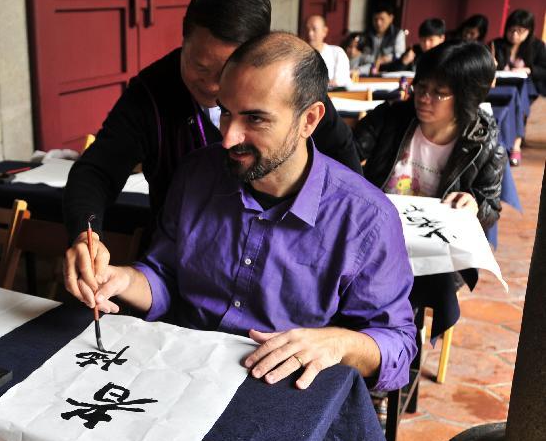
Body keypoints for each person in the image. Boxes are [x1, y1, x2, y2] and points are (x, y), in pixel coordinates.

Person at [70, 32, 417, 393]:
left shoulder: (366, 217)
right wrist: (123, 280)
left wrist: (339, 342)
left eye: (255, 119)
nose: (229, 138)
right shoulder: (196, 174)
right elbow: (166, 275)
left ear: (309, 120)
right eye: (226, 113)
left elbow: (399, 347)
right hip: (181, 374)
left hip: (281, 392)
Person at [63, 0, 361, 295]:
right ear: (183, 42)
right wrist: (87, 235)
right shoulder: (152, 92)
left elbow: (346, 169)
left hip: (282, 271)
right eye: (198, 66)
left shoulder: (289, 96)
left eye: (225, 73)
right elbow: (97, 169)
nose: (211, 85)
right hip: (182, 269)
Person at [354, 41, 504, 379]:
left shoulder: (483, 140)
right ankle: (378, 366)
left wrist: (474, 205)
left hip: (431, 252)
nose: (423, 97)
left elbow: (491, 204)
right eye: (420, 86)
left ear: (465, 97)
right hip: (378, 232)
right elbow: (348, 153)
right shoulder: (393, 117)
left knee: (392, 293)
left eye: (439, 92)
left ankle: (386, 371)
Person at [489, 9, 546, 165]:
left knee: (520, 93)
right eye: (511, 30)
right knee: (515, 100)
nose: (514, 34)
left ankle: (515, 144)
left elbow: (544, 70)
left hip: (527, 86)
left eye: (520, 31)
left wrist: (529, 69)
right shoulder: (496, 45)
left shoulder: (537, 46)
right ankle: (511, 144)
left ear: (529, 31)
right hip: (501, 86)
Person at [381, 18, 446, 73]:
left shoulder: (446, 56)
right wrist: (403, 62)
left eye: (431, 40)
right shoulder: (414, 51)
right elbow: (390, 72)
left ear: (442, 39)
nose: (426, 44)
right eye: (423, 40)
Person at [303, 14, 352, 87]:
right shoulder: (298, 55)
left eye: (314, 29)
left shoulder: (337, 53)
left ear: (324, 31)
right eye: (307, 29)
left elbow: (340, 82)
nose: (310, 33)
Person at [358, 2, 407, 75]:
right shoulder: (366, 34)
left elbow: (399, 55)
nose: (378, 23)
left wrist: (382, 60)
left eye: (382, 19)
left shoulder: (398, 34)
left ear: (391, 18)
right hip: (366, 72)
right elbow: (360, 55)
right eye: (375, 19)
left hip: (388, 72)